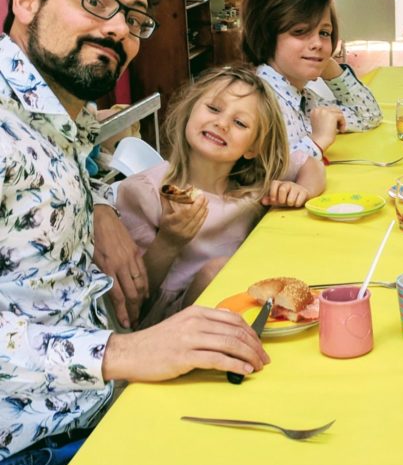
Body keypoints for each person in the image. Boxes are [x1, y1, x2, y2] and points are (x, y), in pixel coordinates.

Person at [0, 0, 268, 463]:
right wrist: (124, 351)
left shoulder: (60, 114)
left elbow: (60, 169)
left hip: (106, 398)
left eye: (134, 19)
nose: (119, 29)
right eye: (96, 2)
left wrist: (98, 204)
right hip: (39, 440)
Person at [116, 67, 325, 327]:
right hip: (174, 323)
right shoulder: (145, 192)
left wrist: (301, 189)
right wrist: (170, 240)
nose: (222, 123)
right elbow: (135, 297)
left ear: (253, 147)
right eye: (214, 109)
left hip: (244, 304)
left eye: (240, 123)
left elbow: (310, 164)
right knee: (215, 269)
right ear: (191, 109)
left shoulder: (253, 181)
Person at [240, 0, 382, 161]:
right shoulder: (257, 99)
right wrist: (318, 140)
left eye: (324, 33)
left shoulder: (303, 98)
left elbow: (367, 116)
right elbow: (265, 170)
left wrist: (332, 71)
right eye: (299, 32)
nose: (317, 43)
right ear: (266, 37)